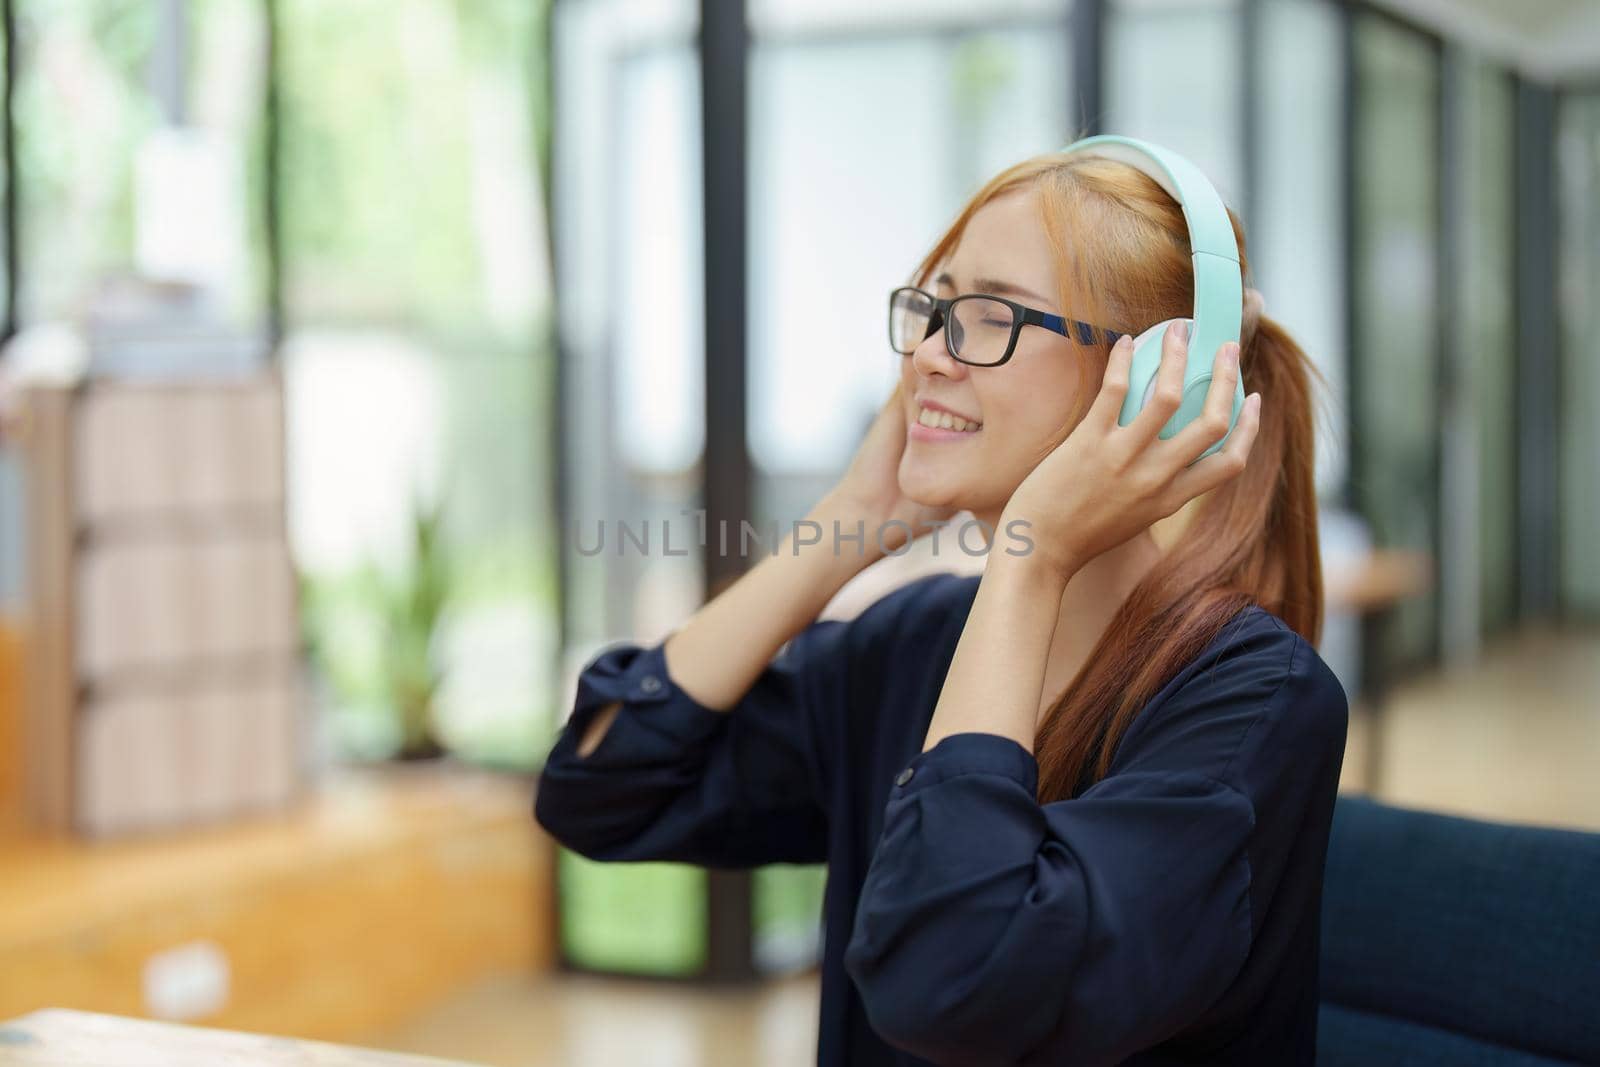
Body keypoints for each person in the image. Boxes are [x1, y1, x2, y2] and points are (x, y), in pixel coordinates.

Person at [534, 145, 1348, 1066]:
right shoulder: (913, 643)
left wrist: (1031, 556)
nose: (924, 354)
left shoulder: (1257, 704)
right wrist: (850, 521)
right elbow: (599, 787)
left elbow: (954, 979)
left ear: (1163, 381)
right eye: (934, 308)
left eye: (987, 316)